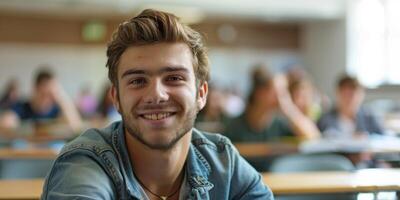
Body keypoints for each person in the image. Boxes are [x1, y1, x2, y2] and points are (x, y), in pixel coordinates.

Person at [42, 9, 273, 200]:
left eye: (174, 78)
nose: (156, 95)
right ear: (116, 98)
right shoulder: (85, 162)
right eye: (138, 81)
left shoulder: (223, 162)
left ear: (201, 94)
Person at [224, 66, 320, 143]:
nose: (283, 98)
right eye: (278, 92)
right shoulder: (234, 127)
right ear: (260, 93)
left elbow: (313, 137)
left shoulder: (279, 124)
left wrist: (289, 108)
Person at [11, 68, 82, 131]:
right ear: (35, 89)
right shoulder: (22, 107)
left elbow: (76, 126)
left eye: (50, 95)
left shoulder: (57, 110)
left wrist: (60, 96)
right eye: (43, 94)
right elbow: (7, 121)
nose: (47, 100)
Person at [317, 75, 385, 138]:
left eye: (352, 94)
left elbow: (382, 138)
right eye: (345, 94)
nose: (348, 98)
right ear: (337, 94)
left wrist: (367, 137)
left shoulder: (368, 117)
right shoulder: (325, 119)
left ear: (361, 95)